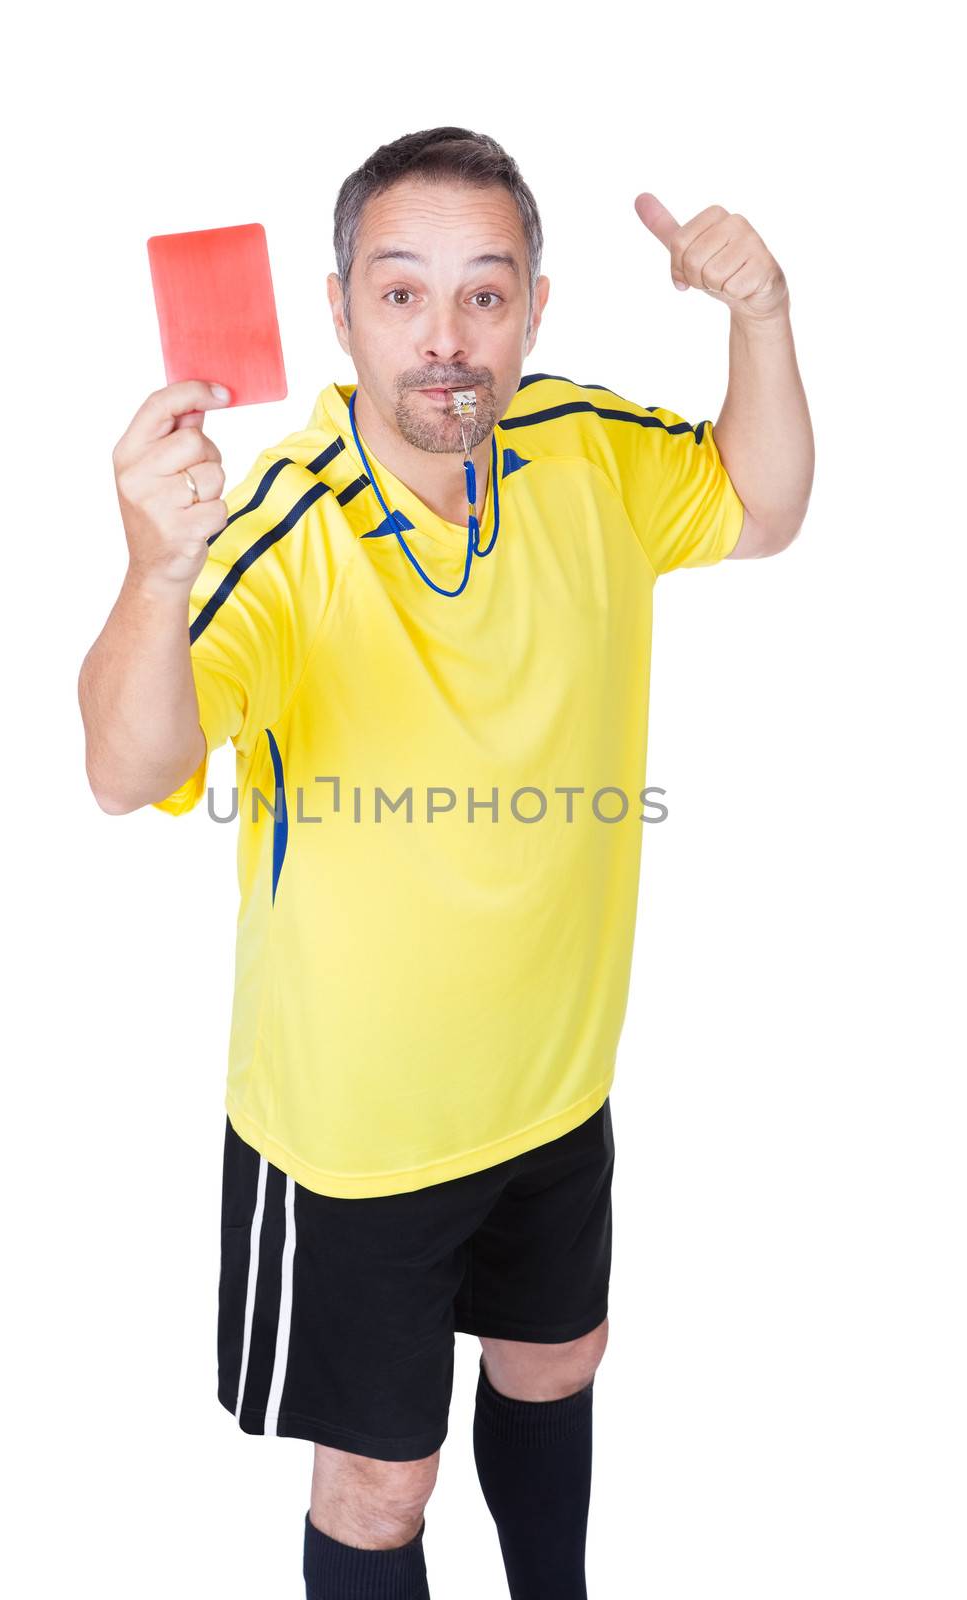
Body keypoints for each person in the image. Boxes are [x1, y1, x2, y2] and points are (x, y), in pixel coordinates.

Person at [78, 126, 813, 1600]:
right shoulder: (273, 526)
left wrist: (763, 318)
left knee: (557, 1361)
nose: (448, 337)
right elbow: (127, 768)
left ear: (537, 307)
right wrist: (155, 573)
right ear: (339, 309)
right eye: (404, 292)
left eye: (487, 293)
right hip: (358, 1132)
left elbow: (762, 507)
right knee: (376, 1487)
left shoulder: (583, 445)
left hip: (552, 1080)